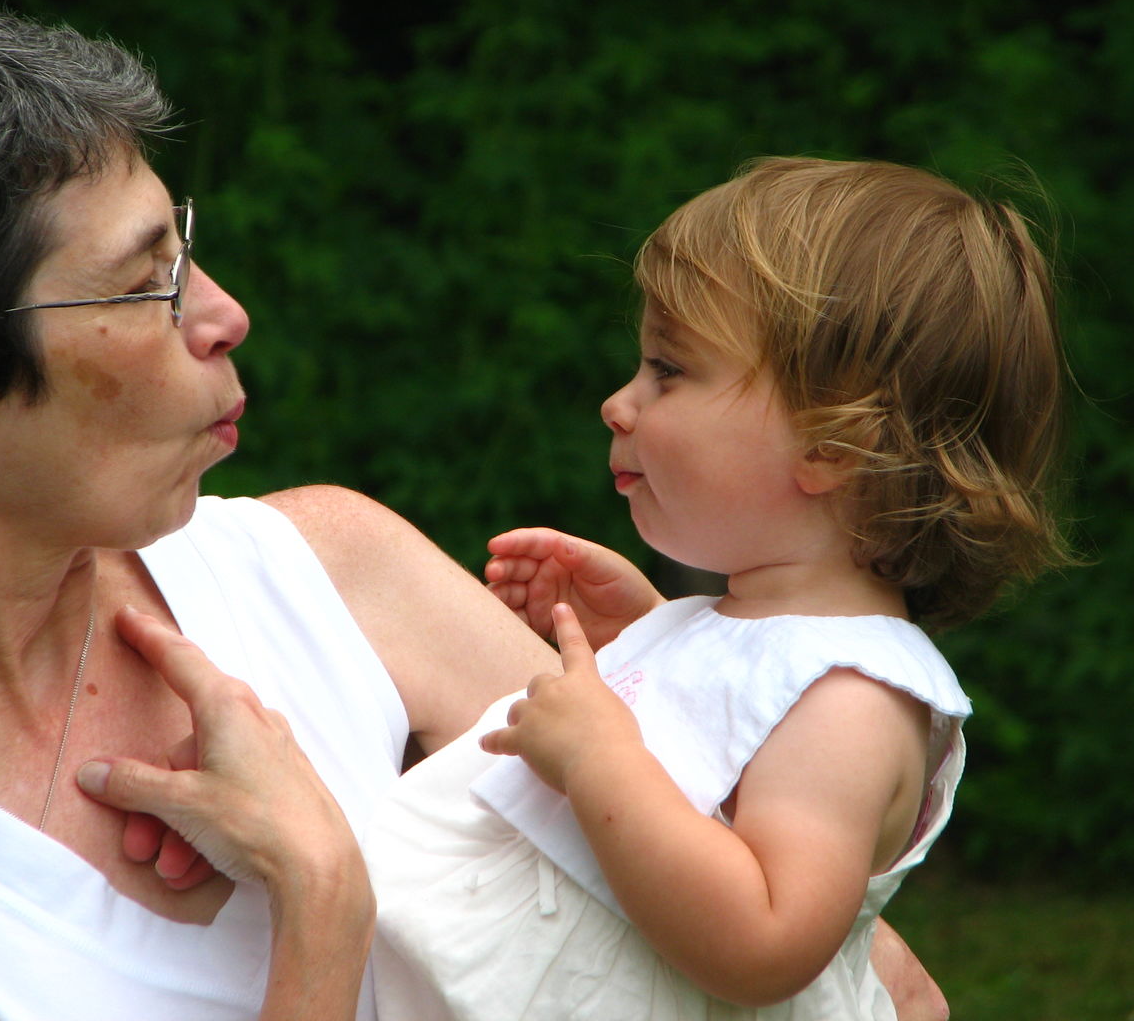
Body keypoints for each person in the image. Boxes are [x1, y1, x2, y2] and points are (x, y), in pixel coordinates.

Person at [0, 2, 945, 1019]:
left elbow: (869, 984)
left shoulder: (328, 567)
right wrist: (320, 899)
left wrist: (684, 662)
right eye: (143, 283)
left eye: (189, 247)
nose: (225, 314)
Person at [364, 157, 1070, 1019]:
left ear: (831, 447)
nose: (618, 404)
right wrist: (653, 629)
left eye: (667, 370)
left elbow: (765, 943)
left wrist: (600, 758)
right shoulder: (759, 631)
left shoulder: (851, 701)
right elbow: (730, 732)